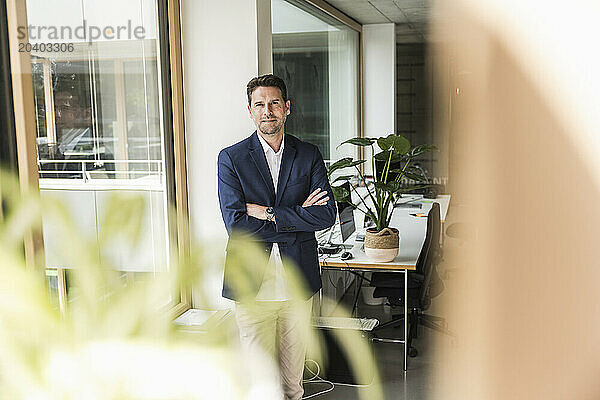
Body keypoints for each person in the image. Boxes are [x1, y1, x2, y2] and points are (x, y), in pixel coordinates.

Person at [217, 74, 337, 399]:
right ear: (250, 110)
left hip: (297, 286)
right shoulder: (231, 159)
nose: (267, 110)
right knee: (262, 386)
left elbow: (326, 215)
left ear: (287, 108)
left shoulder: (308, 154)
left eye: (273, 103)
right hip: (251, 290)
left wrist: (268, 213)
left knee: (292, 386)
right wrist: (298, 215)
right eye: (260, 104)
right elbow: (236, 225)